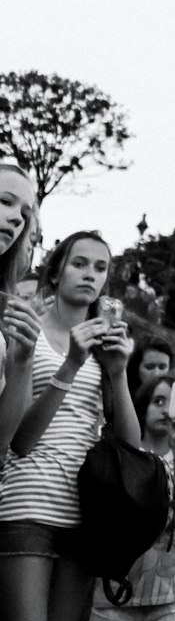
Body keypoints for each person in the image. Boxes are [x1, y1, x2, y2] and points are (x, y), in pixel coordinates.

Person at [0, 229, 139, 621]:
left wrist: (117, 373)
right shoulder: (29, 334)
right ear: (56, 272)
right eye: (80, 264)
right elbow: (20, 440)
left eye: (101, 268)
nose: (90, 275)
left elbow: (129, 449)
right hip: (27, 506)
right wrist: (72, 362)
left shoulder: (104, 348)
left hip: (84, 514)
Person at [86, 373, 175, 621]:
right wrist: (171, 520)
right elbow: (122, 518)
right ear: (142, 406)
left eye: (170, 401)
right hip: (116, 595)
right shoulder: (122, 454)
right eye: (157, 401)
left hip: (170, 595)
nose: (164, 409)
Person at [0, 163, 41, 455]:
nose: (17, 219)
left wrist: (22, 360)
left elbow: (3, 441)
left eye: (24, 215)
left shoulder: (6, 313)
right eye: (5, 202)